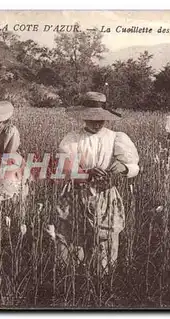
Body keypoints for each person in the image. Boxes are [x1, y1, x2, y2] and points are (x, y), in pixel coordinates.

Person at [56, 91, 140, 275]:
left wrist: (123, 168)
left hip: (105, 194)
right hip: (77, 193)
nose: (96, 123)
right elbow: (66, 168)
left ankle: (102, 279)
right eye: (91, 119)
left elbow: (134, 166)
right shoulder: (72, 138)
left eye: (100, 119)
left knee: (105, 237)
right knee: (73, 236)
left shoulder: (115, 137)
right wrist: (86, 173)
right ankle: (72, 278)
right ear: (84, 118)